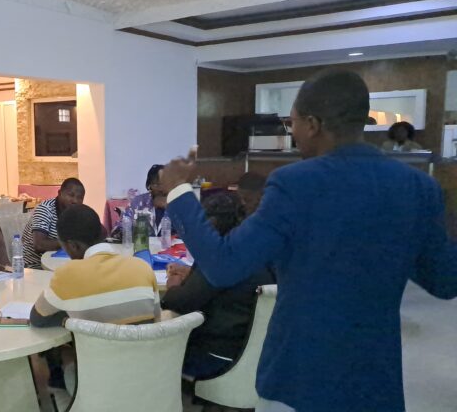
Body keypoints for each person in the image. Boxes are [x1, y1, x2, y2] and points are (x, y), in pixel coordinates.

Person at [160, 70, 457, 412]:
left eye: (293, 123)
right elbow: (445, 281)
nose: (293, 133)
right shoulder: (418, 187)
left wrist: (179, 191)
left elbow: (224, 265)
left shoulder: (294, 183)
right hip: (375, 382)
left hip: (300, 379)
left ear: (313, 124)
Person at [162, 192, 275, 381]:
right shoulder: (254, 249)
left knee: (155, 351)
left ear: (211, 224)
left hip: (216, 357)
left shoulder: (220, 256)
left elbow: (179, 302)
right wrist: (193, 273)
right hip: (256, 357)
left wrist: (173, 287)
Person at [30, 204, 160, 327]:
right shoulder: (142, 267)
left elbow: (37, 319)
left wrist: (68, 317)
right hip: (144, 344)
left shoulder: (66, 275)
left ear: (73, 246)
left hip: (91, 344)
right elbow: (156, 317)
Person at [22, 178, 85, 269]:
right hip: (34, 267)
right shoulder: (45, 209)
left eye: (80, 198)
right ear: (59, 193)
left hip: (58, 262)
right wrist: (70, 243)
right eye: (71, 195)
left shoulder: (75, 212)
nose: (75, 201)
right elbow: (39, 245)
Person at [127, 164, 169, 236]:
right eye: (157, 184)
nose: (161, 189)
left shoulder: (177, 203)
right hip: (143, 242)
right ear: (149, 185)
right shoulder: (138, 202)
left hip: (171, 243)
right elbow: (123, 225)